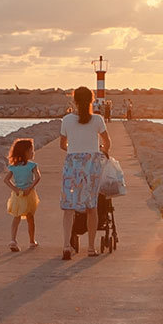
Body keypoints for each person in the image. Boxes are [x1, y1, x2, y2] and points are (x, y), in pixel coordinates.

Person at [56, 86, 110, 259]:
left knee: (68, 207)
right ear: (91, 100)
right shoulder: (98, 120)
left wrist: (74, 150)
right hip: (91, 165)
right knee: (91, 207)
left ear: (74, 101)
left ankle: (66, 245)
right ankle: (91, 248)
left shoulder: (66, 120)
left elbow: (62, 145)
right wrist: (101, 150)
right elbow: (107, 142)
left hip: (72, 163)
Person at [3, 137, 40, 251]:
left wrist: (15, 189)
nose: (33, 152)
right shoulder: (32, 165)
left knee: (16, 217)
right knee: (30, 217)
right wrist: (30, 187)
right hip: (28, 194)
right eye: (31, 150)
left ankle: (13, 240)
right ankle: (31, 241)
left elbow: (6, 180)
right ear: (25, 152)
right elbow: (38, 177)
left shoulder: (14, 166)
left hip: (18, 194)